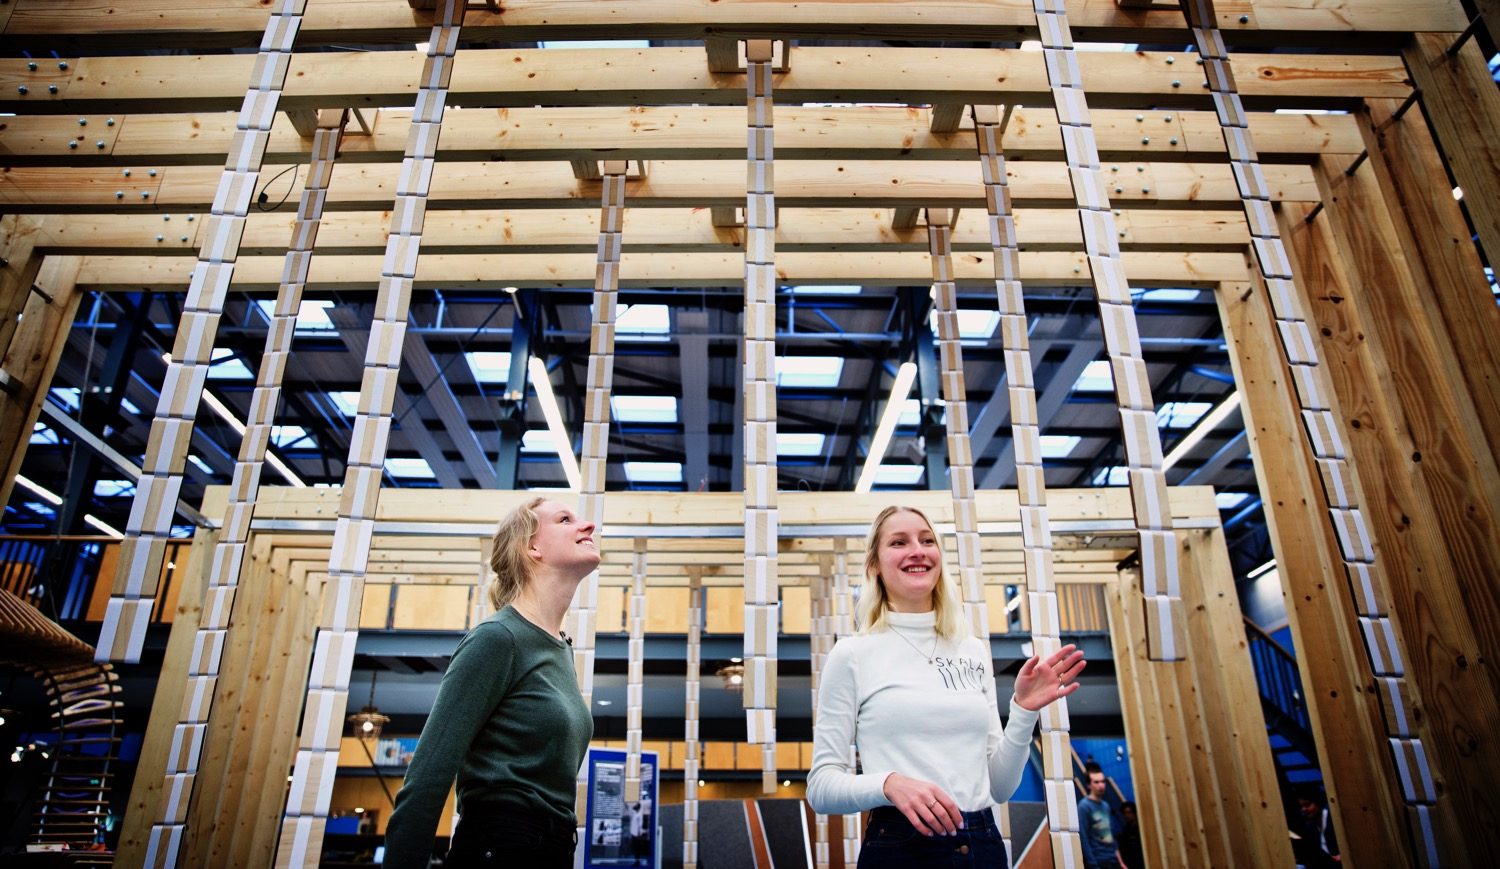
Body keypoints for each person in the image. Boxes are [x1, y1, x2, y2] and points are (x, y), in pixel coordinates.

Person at [806, 505, 1086, 868]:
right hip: (899, 847)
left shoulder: (970, 649)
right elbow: (821, 787)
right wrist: (887, 784)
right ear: (874, 564)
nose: (917, 550)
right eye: (898, 542)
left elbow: (999, 788)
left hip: (982, 842)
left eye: (927, 540)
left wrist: (1023, 711)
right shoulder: (852, 654)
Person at [381, 498, 599, 868]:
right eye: (566, 519)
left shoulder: (559, 648)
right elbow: (428, 775)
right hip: (500, 846)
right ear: (531, 547)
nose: (588, 526)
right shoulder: (498, 638)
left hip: (552, 847)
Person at [1079, 765, 1119, 869]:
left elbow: (1111, 835)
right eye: (1096, 782)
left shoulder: (1105, 805)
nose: (1101, 785)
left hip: (1112, 859)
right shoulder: (1084, 806)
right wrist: (1092, 864)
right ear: (1089, 785)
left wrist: (1120, 861)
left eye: (1102, 781)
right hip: (1099, 860)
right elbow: (1083, 838)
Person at [1294, 787, 1340, 867]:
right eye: (1301, 806)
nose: (1304, 809)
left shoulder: (1332, 816)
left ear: (1318, 803)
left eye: (1307, 805)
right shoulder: (1310, 825)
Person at [1117, 800, 1145, 869]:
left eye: (1129, 812)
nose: (1127, 815)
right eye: (1125, 813)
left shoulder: (1141, 830)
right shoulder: (1125, 831)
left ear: (1134, 813)